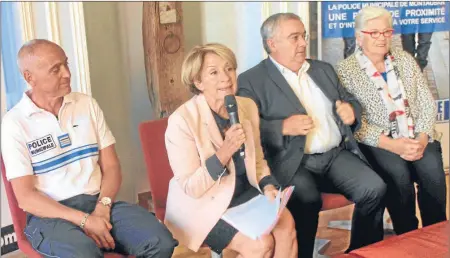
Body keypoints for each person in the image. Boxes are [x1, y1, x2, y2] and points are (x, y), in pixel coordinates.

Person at [1, 39, 177, 258]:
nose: (66, 73)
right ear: (29, 77)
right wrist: (84, 221)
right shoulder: (14, 123)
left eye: (66, 64)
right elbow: (26, 198)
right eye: (56, 69)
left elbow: (112, 167)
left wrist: (102, 208)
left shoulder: (86, 105)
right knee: (84, 253)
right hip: (50, 217)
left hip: (98, 202)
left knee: (160, 241)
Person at [237, 13, 387, 257]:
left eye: (303, 36)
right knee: (306, 199)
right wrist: (281, 127)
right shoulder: (251, 80)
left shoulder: (322, 69)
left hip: (334, 156)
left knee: (375, 188)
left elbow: (350, 101)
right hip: (291, 162)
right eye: (294, 37)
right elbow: (244, 128)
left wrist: (351, 111)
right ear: (272, 44)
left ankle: (361, 252)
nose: (303, 43)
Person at [164, 43, 297, 258]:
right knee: (260, 245)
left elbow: (258, 160)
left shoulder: (246, 106)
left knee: (286, 225)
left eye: (230, 69)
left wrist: (268, 185)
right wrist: (225, 152)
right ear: (198, 82)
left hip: (244, 194)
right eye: (214, 72)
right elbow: (192, 187)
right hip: (203, 206)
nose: (226, 77)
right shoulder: (181, 121)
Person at [337, 6, 447, 236]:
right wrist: (393, 144)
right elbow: (354, 125)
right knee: (399, 179)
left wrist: (423, 137)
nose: (382, 38)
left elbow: (427, 103)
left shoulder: (404, 60)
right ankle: (406, 236)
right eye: (374, 33)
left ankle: (436, 237)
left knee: (433, 175)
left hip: (416, 136)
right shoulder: (345, 71)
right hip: (379, 142)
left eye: (386, 32)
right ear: (359, 36)